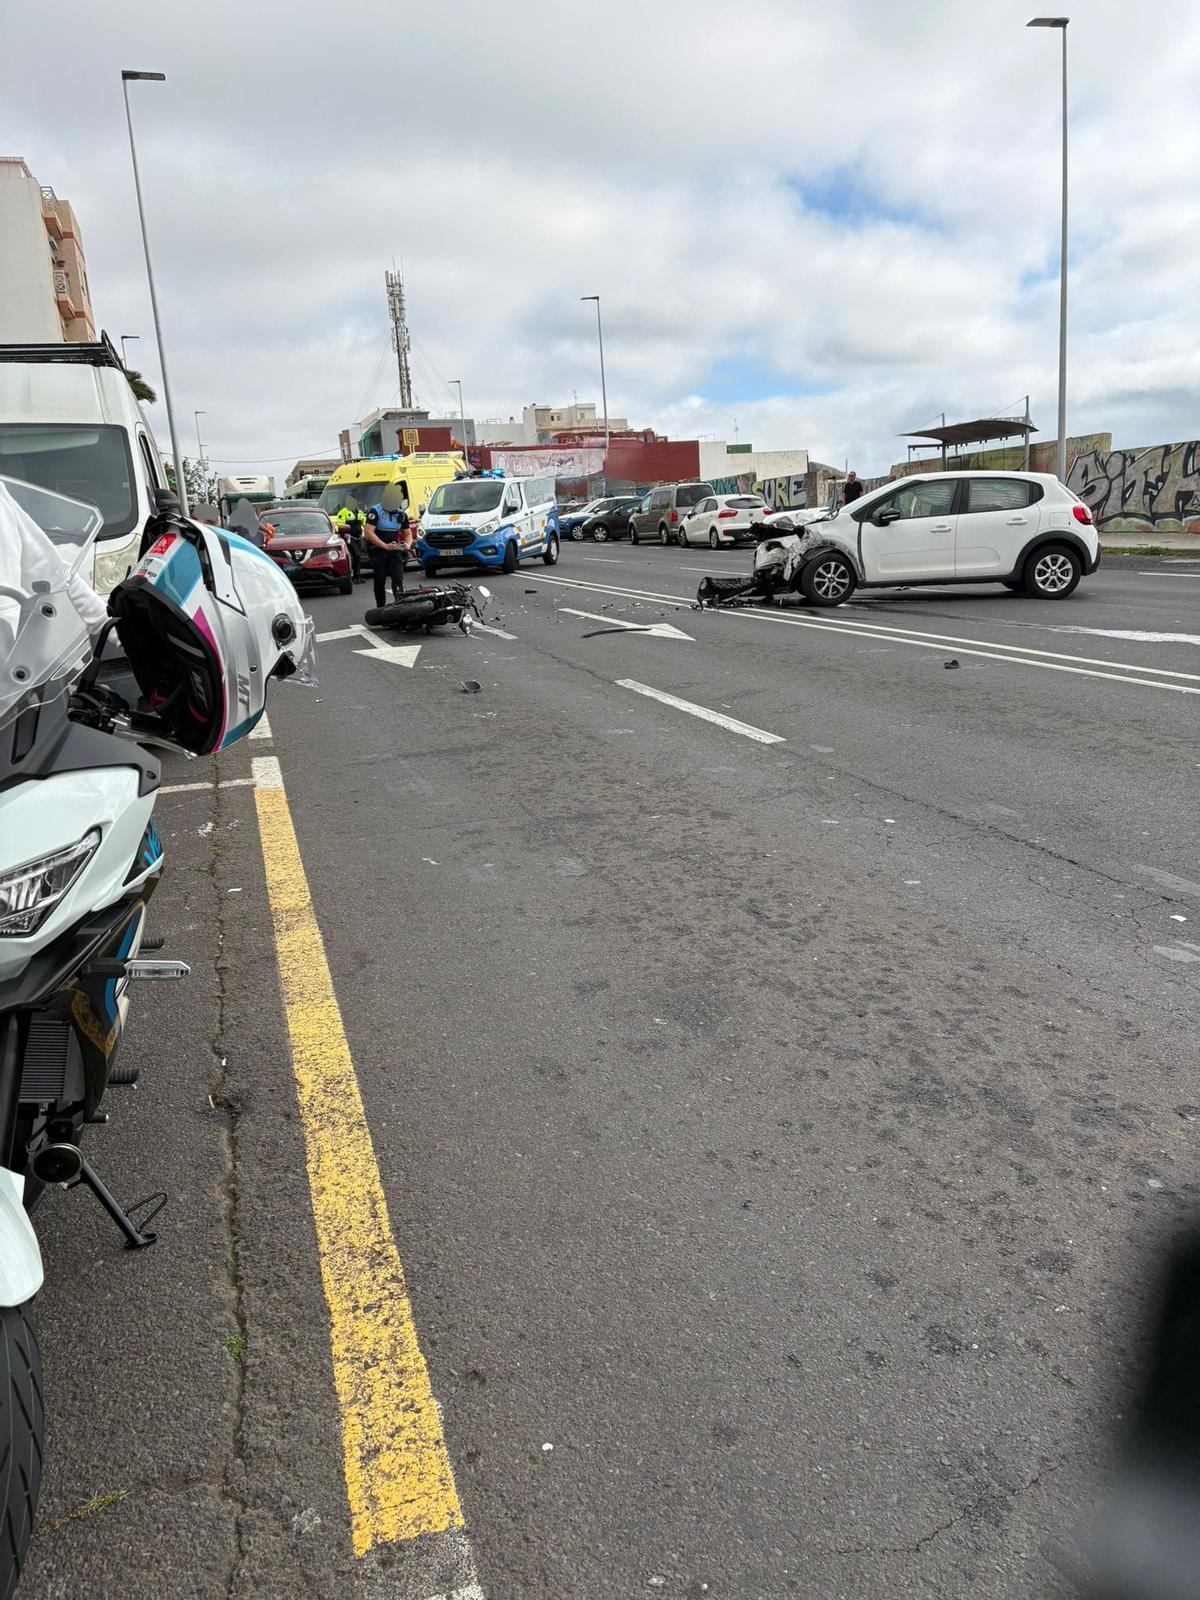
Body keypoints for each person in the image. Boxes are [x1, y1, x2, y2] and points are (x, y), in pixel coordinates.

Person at [364, 499, 410, 607]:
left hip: (395, 549)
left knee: (398, 578)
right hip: (378, 550)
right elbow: (368, 532)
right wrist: (385, 546)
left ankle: (400, 606)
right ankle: (380, 607)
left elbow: (407, 533)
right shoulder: (375, 511)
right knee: (380, 580)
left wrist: (407, 544)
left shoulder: (401, 514)